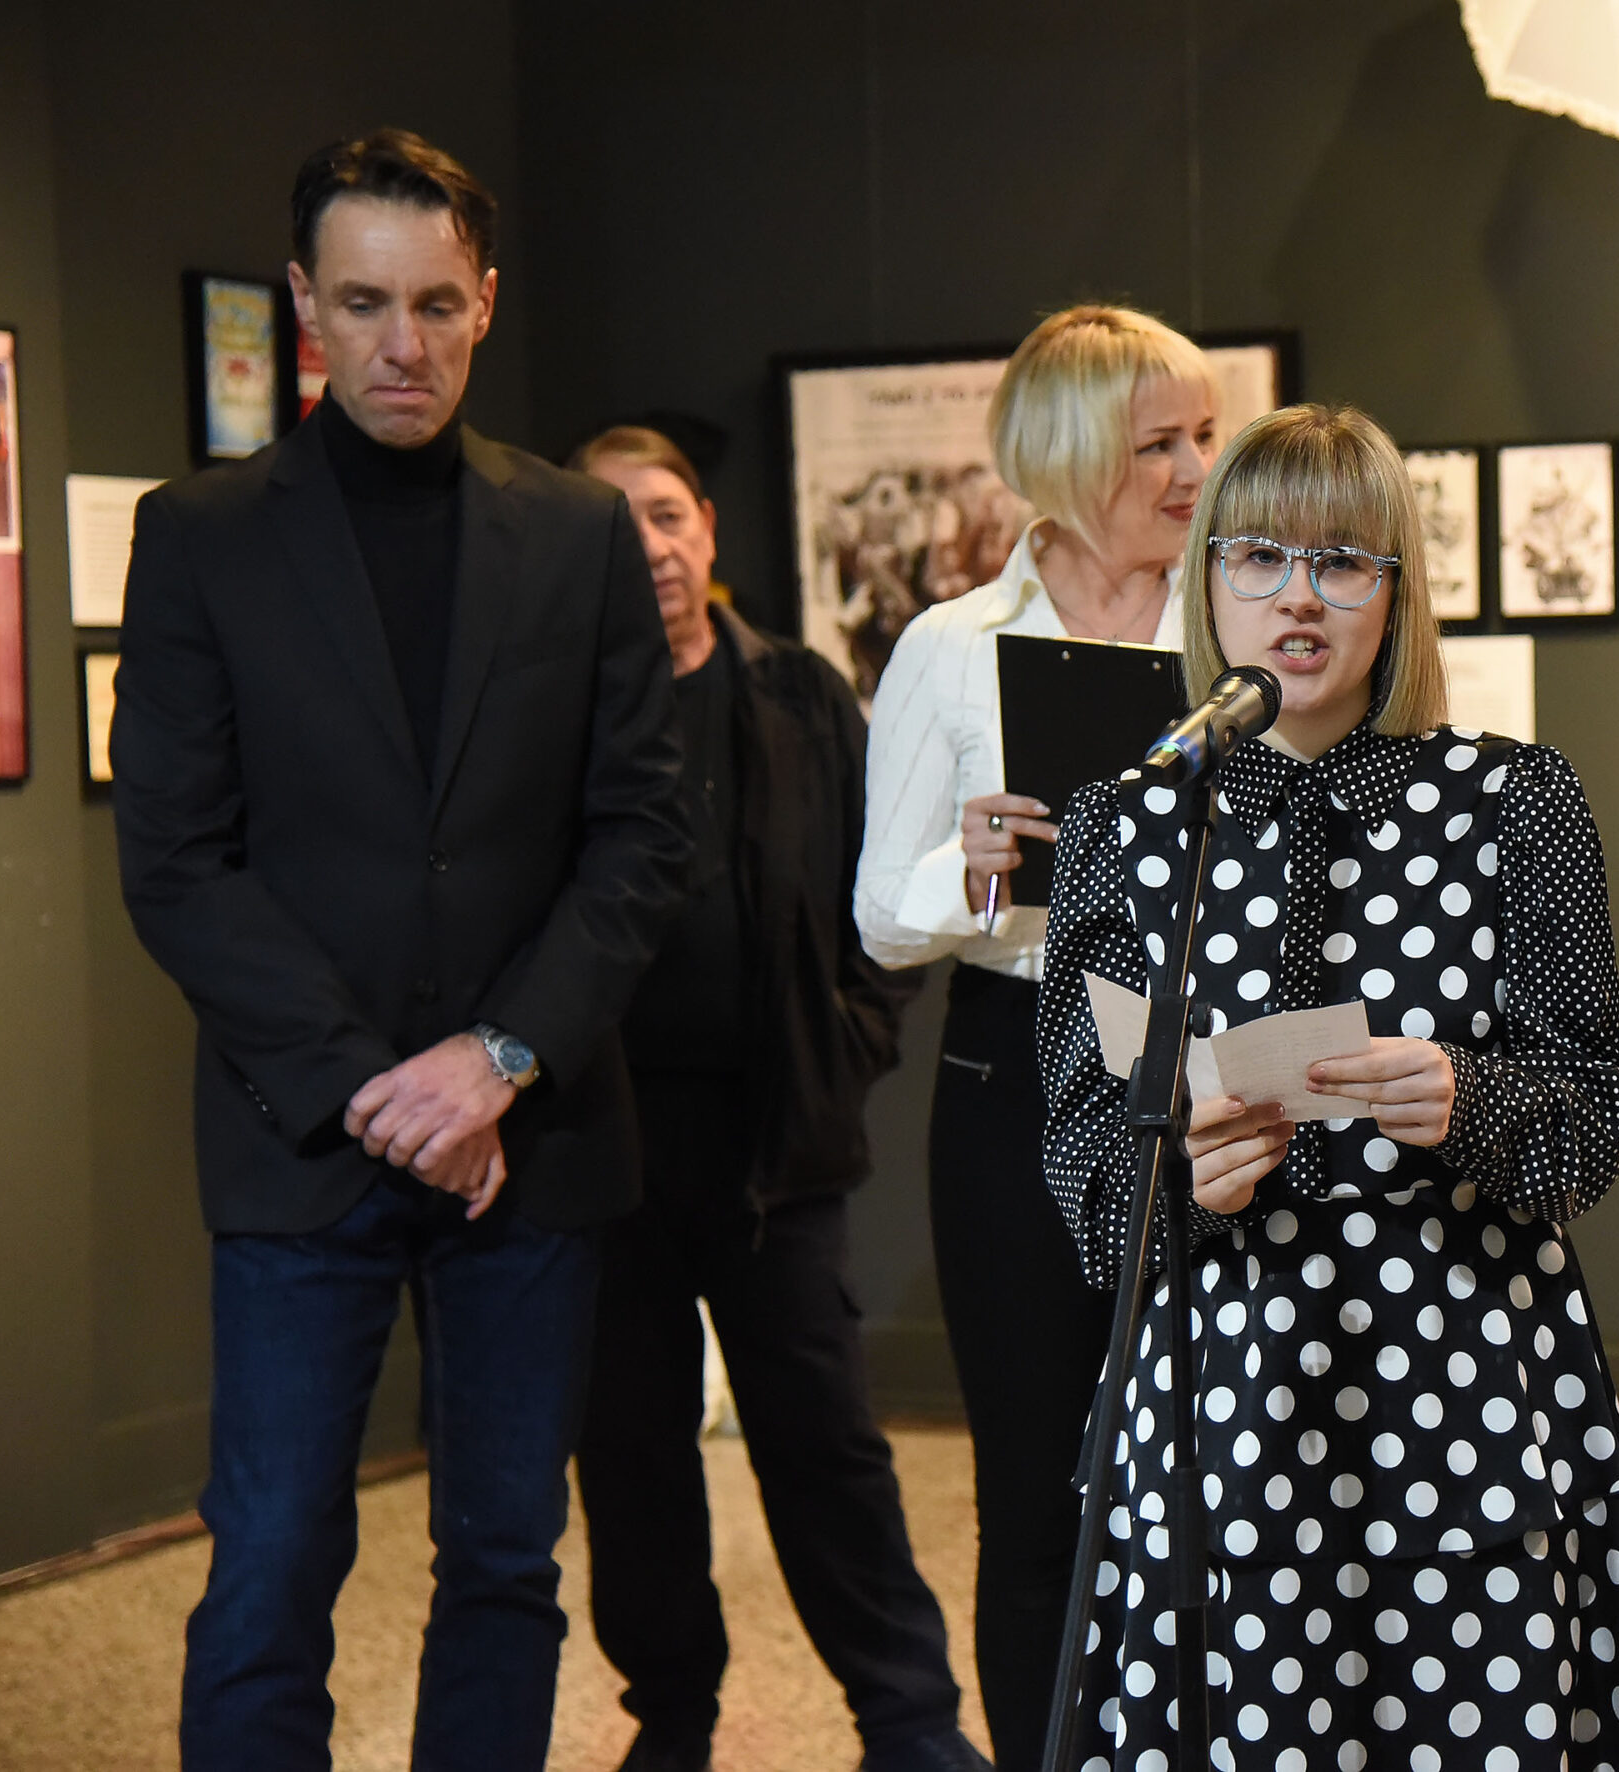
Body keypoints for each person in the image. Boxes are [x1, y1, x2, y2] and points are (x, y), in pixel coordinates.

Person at [112, 131, 693, 1771]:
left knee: (506, 1561)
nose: (402, 343)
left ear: (485, 301)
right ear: (303, 303)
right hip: (304, 1138)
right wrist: (382, 1090)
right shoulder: (202, 535)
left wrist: (496, 1062)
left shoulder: (578, 533)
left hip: (534, 1141)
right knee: (271, 1562)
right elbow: (176, 860)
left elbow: (641, 837)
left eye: (437, 304)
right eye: (363, 303)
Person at [1038, 404, 1619, 1771]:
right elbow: (1081, 1153)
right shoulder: (1124, 823)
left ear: (1396, 592)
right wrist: (1174, 1177)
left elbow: (1598, 1109)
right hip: (1222, 1386)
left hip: (1462, 1373)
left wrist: (1470, 1099)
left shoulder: (1514, 801)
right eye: (1259, 557)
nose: (1299, 598)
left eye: (1341, 561)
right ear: (1207, 576)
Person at [566, 426, 986, 1772]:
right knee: (631, 1452)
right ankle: (671, 1717)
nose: (649, 544)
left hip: (776, 1137)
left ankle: (907, 1720)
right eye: (614, 520)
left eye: (666, 513)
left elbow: (890, 880)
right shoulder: (553, 706)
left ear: (707, 528)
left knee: (824, 1446)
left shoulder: (801, 692)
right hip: (604, 1146)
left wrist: (857, 1035)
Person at [853, 304, 1220, 1771]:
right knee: (1035, 1492)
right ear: (1068, 458)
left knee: (1213, 1476)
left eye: (1204, 436)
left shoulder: (1240, 623)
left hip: (1211, 1069)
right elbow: (880, 917)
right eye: (1160, 444)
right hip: (1016, 1067)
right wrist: (977, 869)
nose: (1196, 471)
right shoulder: (950, 649)